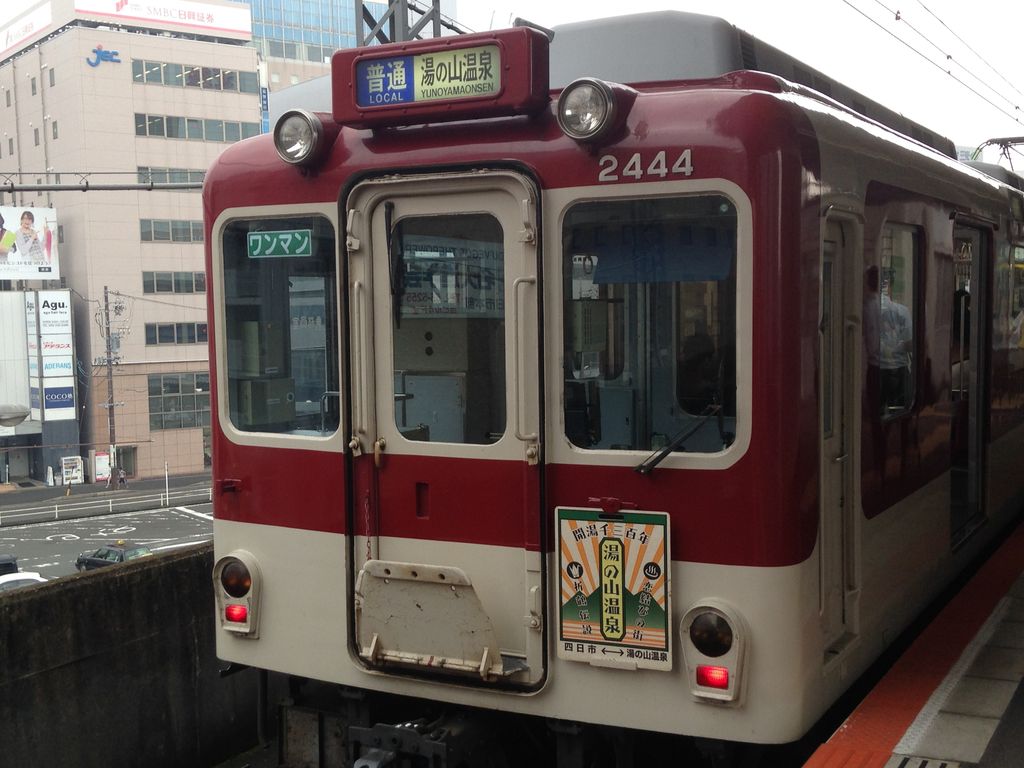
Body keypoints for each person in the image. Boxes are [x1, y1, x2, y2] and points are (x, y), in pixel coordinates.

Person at [879, 274, 913, 410]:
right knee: (900, 412)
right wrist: (896, 349)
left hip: (875, 370)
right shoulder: (902, 311)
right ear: (890, 287)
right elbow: (910, 343)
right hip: (898, 370)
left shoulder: (867, 309)